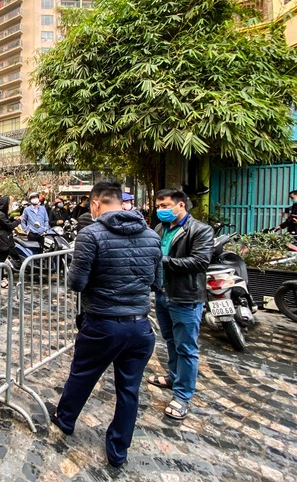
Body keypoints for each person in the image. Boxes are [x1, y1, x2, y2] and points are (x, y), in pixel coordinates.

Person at [51, 182, 161, 468]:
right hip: (140, 327)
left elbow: (76, 282)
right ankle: (118, 451)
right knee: (129, 390)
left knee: (83, 374)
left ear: (96, 204)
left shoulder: (91, 234)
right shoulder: (151, 236)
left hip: (103, 324)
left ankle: (65, 420)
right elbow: (157, 282)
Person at [147, 188, 213, 420]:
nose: (161, 210)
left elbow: (199, 261)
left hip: (185, 297)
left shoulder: (199, 230)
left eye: (165, 206)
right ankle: (173, 376)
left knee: (186, 347)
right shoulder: (159, 229)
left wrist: (162, 261)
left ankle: (182, 396)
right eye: (158, 206)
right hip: (163, 294)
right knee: (170, 340)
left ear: (181, 205)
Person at [0, 196, 20, 288]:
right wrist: (18, 221)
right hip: (3, 239)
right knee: (1, 260)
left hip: (3, 238)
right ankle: (2, 280)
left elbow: (6, 223)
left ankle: (3, 278)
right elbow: (9, 226)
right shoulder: (0, 214)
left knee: (2, 259)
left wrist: (12, 219)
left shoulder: (0, 213)